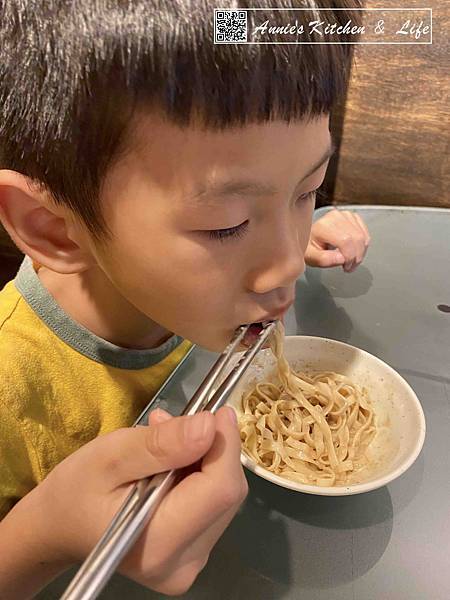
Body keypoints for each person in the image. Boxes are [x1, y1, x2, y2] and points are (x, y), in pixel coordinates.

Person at [0, 0, 369, 597]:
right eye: (225, 225)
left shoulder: (203, 274)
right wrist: (44, 534)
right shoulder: (11, 384)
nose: (285, 266)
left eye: (309, 188)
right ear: (55, 230)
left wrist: (289, 223)